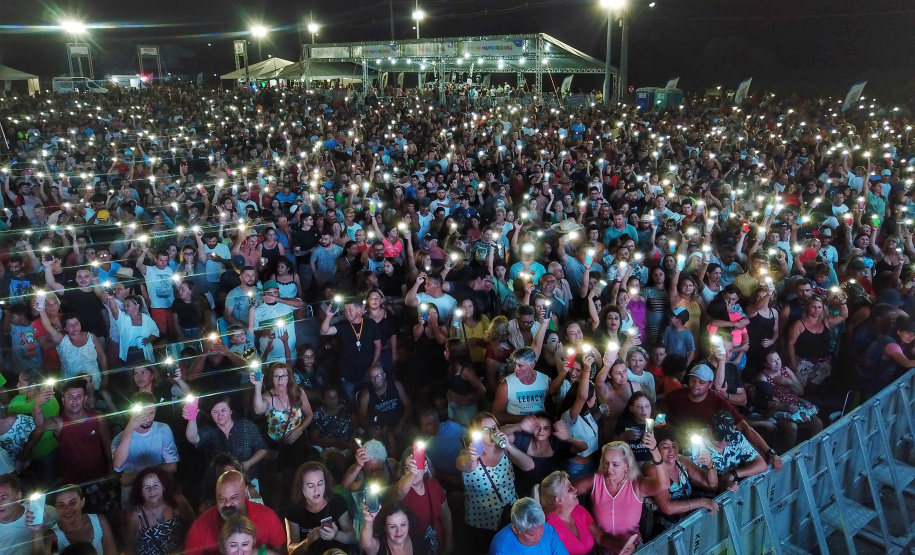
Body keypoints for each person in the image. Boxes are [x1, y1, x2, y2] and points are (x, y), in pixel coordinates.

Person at [455, 412, 535, 553]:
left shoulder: (504, 449)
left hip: (510, 516)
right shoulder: (469, 453)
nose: (491, 432)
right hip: (482, 522)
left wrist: (509, 447)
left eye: (494, 428)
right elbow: (461, 464)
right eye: (485, 430)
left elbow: (529, 466)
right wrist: (471, 457)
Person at [573, 442, 667, 555]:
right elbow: (565, 492)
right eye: (606, 463)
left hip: (632, 548)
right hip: (603, 547)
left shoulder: (637, 485)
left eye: (615, 464)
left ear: (627, 465)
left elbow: (664, 485)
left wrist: (654, 451)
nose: (609, 469)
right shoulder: (595, 482)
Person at [641, 426, 719, 537]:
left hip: (686, 520)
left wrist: (710, 465)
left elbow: (711, 484)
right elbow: (667, 508)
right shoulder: (652, 469)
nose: (671, 451)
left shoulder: (681, 460)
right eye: (665, 446)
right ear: (656, 448)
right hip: (664, 529)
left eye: (674, 446)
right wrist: (702, 502)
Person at [185, 470, 286, 555]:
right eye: (222, 498)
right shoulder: (199, 527)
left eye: (234, 497)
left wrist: (259, 552)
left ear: (245, 491)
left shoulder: (268, 516)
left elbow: (279, 551)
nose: (228, 504)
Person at [184, 395, 269, 487]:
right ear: (211, 414)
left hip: (248, 480)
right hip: (221, 484)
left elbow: (263, 448)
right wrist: (191, 419)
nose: (220, 415)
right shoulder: (209, 431)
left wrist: (248, 463)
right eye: (215, 412)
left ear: (231, 411)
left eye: (223, 410)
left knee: (253, 501)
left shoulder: (246, 426)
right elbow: (193, 439)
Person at [110, 392, 180, 502]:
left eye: (152, 412)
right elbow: (118, 465)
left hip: (159, 489)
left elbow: (172, 466)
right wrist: (130, 428)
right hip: (132, 494)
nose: (148, 418)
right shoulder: (119, 438)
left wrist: (135, 476)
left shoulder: (163, 429)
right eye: (143, 413)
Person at [282, 462, 357, 555]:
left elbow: (352, 537)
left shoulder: (336, 502)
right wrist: (308, 541)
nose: (317, 490)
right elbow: (291, 550)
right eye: (311, 486)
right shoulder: (293, 510)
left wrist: (336, 535)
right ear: (301, 488)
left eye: (320, 484)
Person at [390, 450, 453, 555]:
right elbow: (400, 491)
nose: (412, 471)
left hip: (436, 546)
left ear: (425, 467)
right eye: (408, 468)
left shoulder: (434, 485)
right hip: (411, 549)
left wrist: (449, 544)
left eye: (416, 466)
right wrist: (412, 474)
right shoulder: (398, 489)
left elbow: (446, 516)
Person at [320, 298, 383, 402]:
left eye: (350, 310)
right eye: (345, 310)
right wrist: (329, 316)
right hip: (348, 374)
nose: (347, 313)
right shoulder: (343, 325)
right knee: (352, 402)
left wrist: (373, 365)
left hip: (367, 372)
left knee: (371, 400)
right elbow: (324, 332)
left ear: (359, 310)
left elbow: (378, 346)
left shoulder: (370, 324)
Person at [124, 467, 194, 555]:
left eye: (156, 485)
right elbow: (130, 548)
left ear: (163, 486)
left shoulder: (176, 502)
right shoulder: (135, 516)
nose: (152, 491)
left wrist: (183, 546)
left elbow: (191, 524)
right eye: (146, 487)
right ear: (141, 492)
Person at [40, 485, 117, 555]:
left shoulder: (99, 521)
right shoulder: (51, 536)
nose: (67, 509)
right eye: (61, 505)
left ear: (82, 502)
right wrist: (37, 530)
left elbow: (112, 552)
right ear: (56, 507)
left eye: (72, 502)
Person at [0, 473, 59, 555]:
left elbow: (65, 518)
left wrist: (46, 535)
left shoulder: (37, 512)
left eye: (3, 498)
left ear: (18, 496)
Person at [489, 497, 569, 555]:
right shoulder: (502, 549)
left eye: (541, 532)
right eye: (531, 535)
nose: (538, 537)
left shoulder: (549, 530)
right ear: (515, 529)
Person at [360, 501, 429, 555]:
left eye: (403, 525)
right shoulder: (380, 546)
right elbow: (367, 544)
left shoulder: (418, 542)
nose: (399, 531)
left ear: (409, 523)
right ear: (385, 527)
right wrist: (369, 521)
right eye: (392, 526)